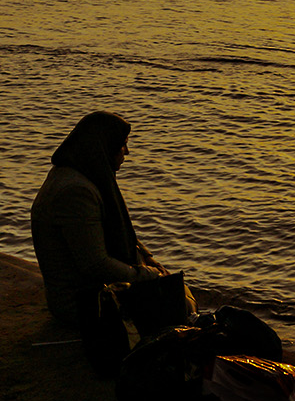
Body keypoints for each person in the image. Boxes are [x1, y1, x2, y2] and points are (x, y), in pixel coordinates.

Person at [30, 111, 183, 327]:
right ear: (104, 146)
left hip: (90, 293)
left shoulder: (79, 176)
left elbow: (117, 234)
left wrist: (150, 262)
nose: (127, 152)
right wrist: (149, 276)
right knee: (181, 311)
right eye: (122, 145)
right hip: (81, 304)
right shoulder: (76, 192)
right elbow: (95, 265)